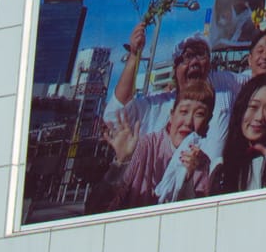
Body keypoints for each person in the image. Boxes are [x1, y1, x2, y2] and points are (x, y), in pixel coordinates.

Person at [87, 79, 215, 211]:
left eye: (199, 114)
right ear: (171, 115)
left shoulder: (201, 162)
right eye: (183, 111)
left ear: (207, 123)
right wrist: (120, 163)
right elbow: (97, 209)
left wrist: (187, 181)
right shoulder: (146, 146)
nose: (188, 122)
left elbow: (195, 218)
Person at [106, 27, 238, 155]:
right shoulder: (157, 106)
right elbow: (117, 113)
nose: (195, 62)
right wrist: (134, 56)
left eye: (201, 55)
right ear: (175, 69)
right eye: (187, 56)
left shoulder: (224, 95)